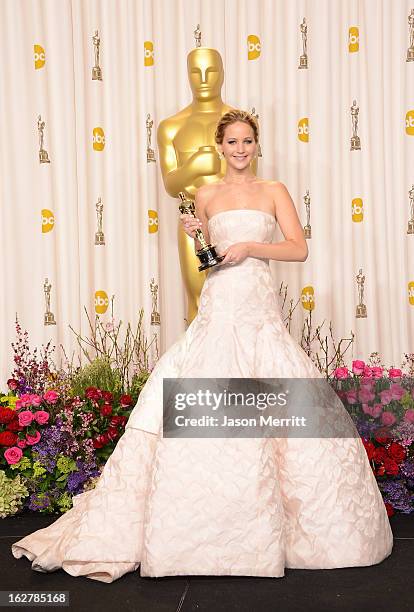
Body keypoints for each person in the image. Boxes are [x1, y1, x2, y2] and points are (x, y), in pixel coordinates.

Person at [11, 110, 393, 582]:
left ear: (257, 145)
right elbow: (208, 261)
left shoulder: (273, 191)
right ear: (220, 145)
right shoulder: (206, 195)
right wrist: (197, 240)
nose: (239, 149)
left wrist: (252, 247)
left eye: (247, 141)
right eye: (232, 141)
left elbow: (298, 248)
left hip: (258, 303)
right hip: (220, 302)